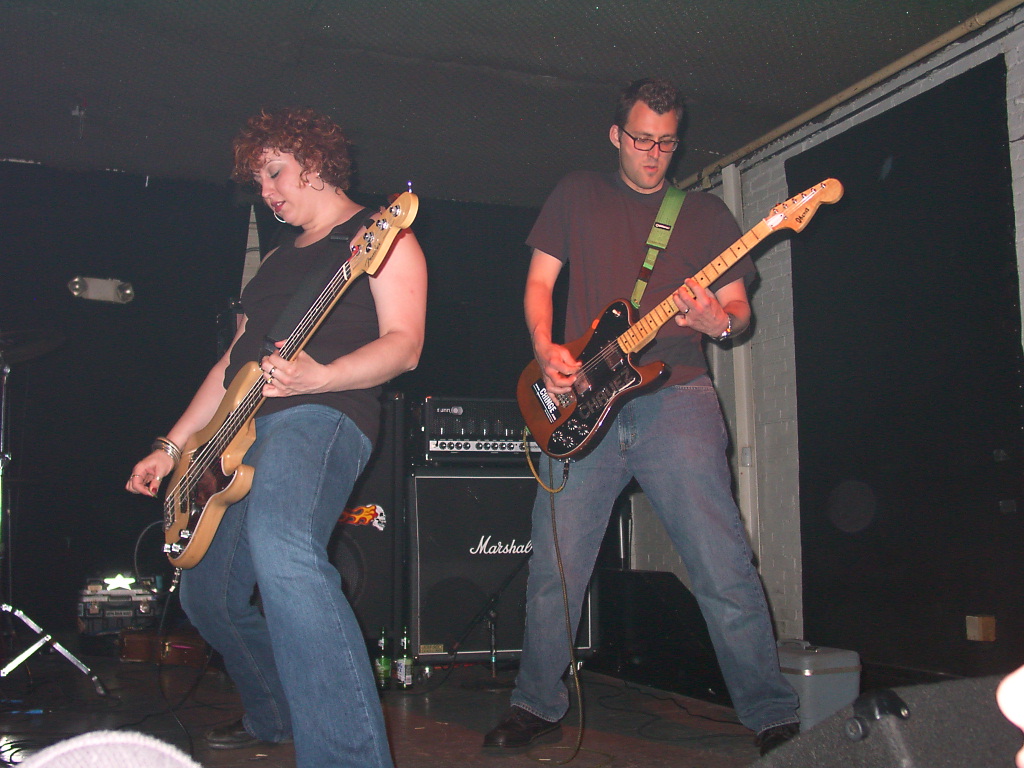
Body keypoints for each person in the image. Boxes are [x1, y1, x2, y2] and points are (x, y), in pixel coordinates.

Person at [482, 78, 799, 757]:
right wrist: (546, 349)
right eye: (641, 140)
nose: (653, 154)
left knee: (722, 563)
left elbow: (738, 313)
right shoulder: (577, 193)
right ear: (615, 135)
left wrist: (716, 321)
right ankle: (535, 703)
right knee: (556, 568)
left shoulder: (706, 215)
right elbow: (539, 283)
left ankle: (771, 713)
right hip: (581, 401)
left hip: (676, 397)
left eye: (666, 143)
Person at [126, 107, 427, 768]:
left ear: (314, 161)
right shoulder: (272, 266)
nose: (266, 192)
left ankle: (348, 756)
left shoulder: (379, 237)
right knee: (208, 597)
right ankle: (276, 713)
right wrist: (171, 447)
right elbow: (228, 368)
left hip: (321, 414)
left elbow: (405, 346)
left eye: (275, 174)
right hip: (232, 437)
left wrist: (324, 375)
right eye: (258, 181)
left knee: (283, 548)